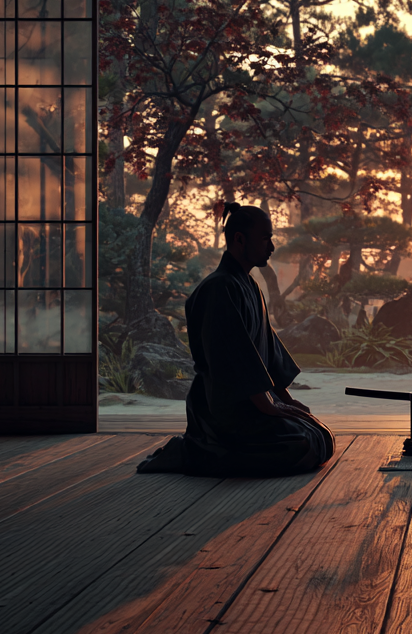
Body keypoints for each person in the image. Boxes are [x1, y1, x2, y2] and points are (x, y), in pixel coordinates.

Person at [137, 203, 335, 476]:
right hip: (223, 410)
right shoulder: (218, 288)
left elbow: (268, 353)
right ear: (240, 239)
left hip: (255, 402)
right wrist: (271, 406)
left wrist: (285, 401)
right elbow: (236, 359)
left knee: (320, 437)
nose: (272, 246)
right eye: (266, 238)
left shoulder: (249, 285)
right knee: (300, 445)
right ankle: (193, 451)